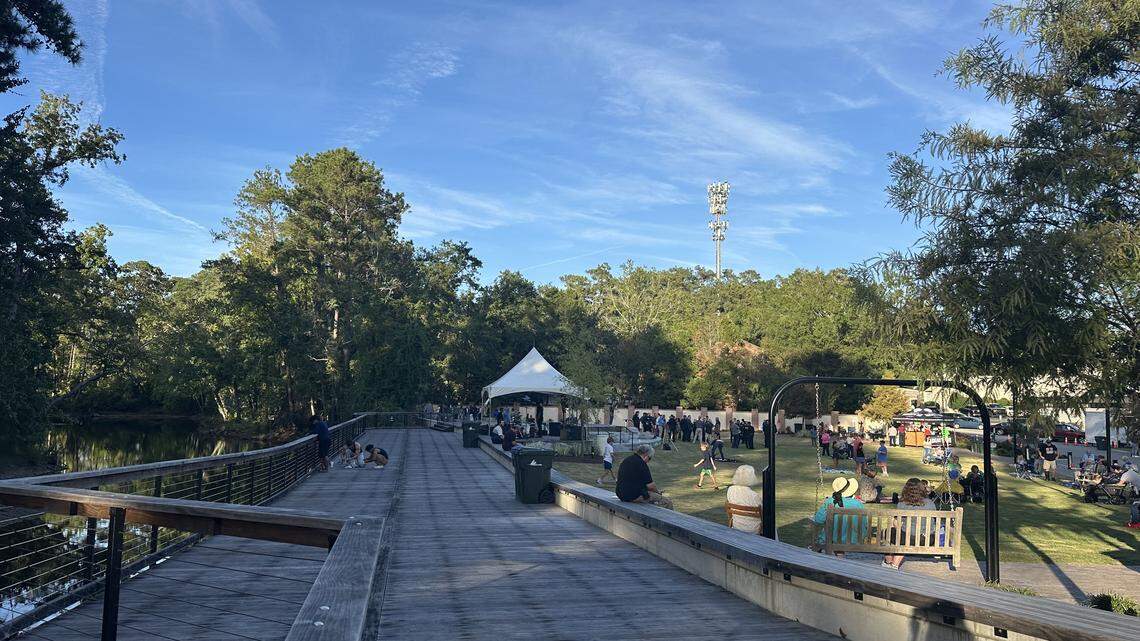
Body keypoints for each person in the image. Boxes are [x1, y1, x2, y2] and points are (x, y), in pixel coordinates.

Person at [883, 478, 938, 569]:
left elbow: (897, 524)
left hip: (907, 537)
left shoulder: (902, 504)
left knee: (888, 533)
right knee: (904, 538)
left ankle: (889, 561)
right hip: (926, 539)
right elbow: (934, 522)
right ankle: (892, 564)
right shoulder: (930, 503)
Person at [811, 477, 866, 553]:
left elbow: (818, 520)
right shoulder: (858, 504)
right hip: (853, 539)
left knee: (825, 537)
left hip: (831, 538)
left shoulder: (830, 501)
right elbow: (864, 523)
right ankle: (840, 556)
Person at [616, 445, 673, 509]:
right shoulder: (641, 464)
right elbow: (650, 486)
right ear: (646, 455)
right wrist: (658, 492)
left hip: (621, 494)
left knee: (652, 501)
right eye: (649, 458)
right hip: (633, 496)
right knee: (667, 502)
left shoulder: (626, 460)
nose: (648, 461)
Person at [726, 465, 762, 533]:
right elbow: (763, 512)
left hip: (736, 525)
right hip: (753, 528)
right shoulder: (754, 495)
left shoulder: (730, 490)